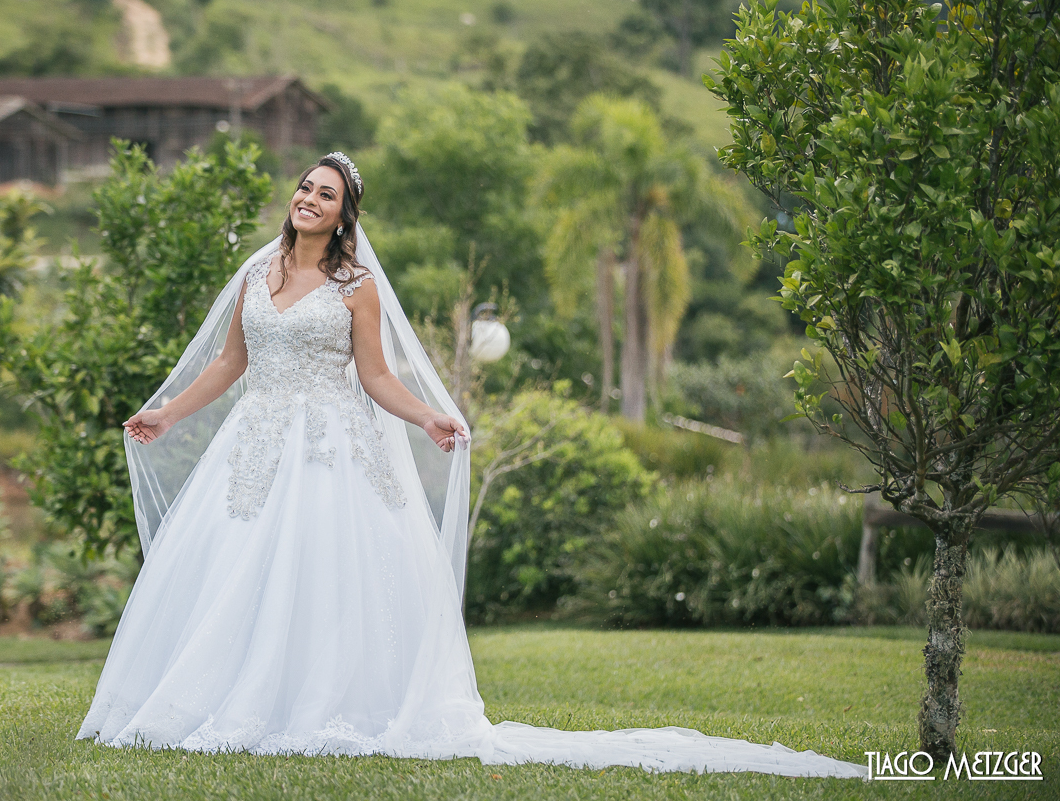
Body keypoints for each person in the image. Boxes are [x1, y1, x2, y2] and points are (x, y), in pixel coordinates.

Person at [76, 153, 868, 779]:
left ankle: (315, 705)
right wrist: (167, 411)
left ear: (345, 215)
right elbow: (230, 363)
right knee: (238, 570)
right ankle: (224, 695)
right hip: (254, 444)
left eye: (326, 194)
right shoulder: (257, 274)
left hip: (329, 449)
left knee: (318, 575)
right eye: (305, 188)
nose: (309, 200)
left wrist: (429, 414)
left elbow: (376, 376)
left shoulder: (355, 287)